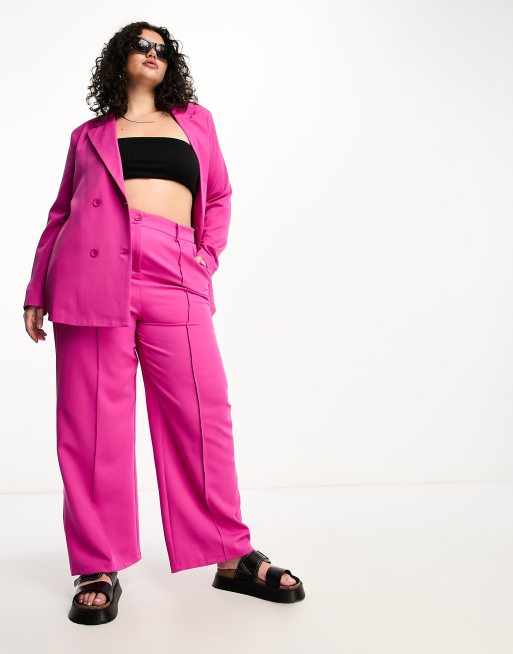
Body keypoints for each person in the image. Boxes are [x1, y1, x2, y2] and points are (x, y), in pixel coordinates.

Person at [22, 21, 305, 624]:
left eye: (162, 48)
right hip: (90, 273)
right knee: (93, 424)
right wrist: (36, 287)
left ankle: (230, 554)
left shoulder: (196, 122)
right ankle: (97, 564)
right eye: (141, 45)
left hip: (175, 266)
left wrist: (206, 257)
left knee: (203, 412)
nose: (152, 53)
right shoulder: (88, 136)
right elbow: (60, 213)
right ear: (119, 58)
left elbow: (219, 196)